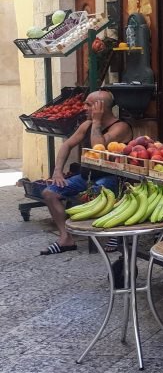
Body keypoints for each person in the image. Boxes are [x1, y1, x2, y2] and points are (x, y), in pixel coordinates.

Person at [40, 90, 131, 256]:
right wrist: (58, 171)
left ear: (101, 107)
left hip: (112, 177)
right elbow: (67, 145)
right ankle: (65, 238)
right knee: (49, 193)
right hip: (86, 176)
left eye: (89, 104)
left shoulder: (121, 127)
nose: (84, 108)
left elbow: (99, 148)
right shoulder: (86, 125)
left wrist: (96, 122)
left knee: (97, 191)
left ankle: (116, 232)